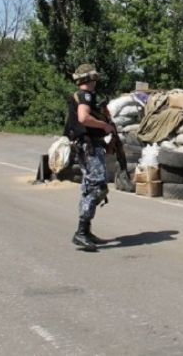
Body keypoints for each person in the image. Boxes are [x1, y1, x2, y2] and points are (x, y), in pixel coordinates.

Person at [65, 63, 115, 251]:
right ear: (89, 78)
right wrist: (104, 127)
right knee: (97, 187)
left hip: (89, 145)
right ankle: (81, 233)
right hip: (88, 147)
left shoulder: (84, 96)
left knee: (88, 187)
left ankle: (85, 230)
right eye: (94, 77)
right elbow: (83, 118)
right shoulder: (85, 95)